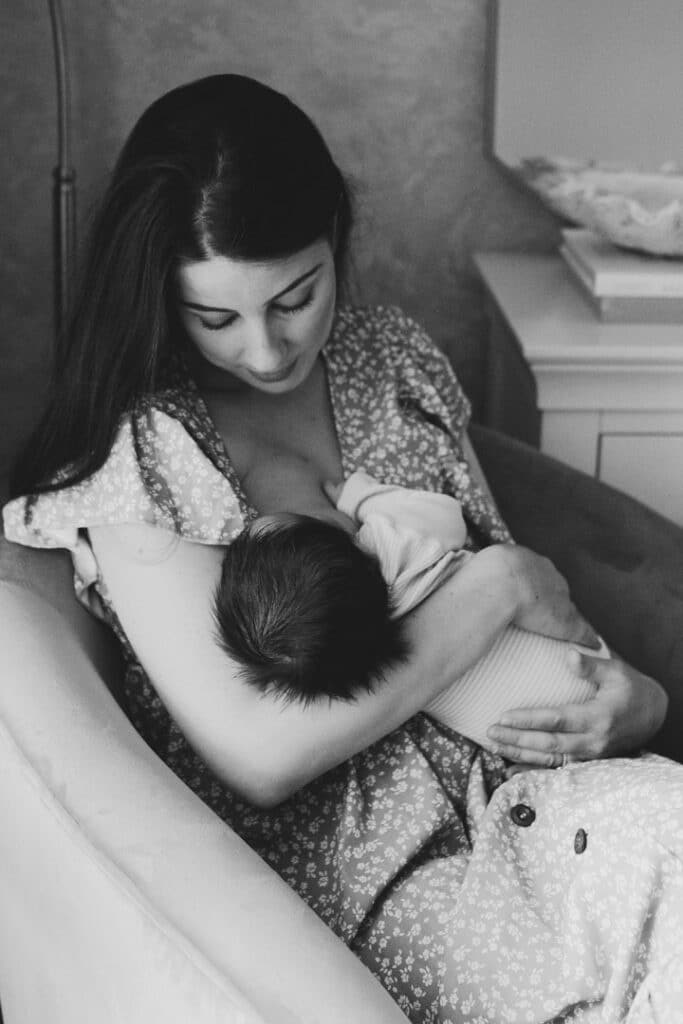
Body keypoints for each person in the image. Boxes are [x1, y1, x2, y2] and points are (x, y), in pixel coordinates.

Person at [3, 74, 681, 1021]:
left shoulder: (392, 360)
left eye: (296, 297)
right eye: (216, 318)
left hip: (544, 794)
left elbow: (538, 630)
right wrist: (496, 585)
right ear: (161, 296)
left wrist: (638, 701)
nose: (268, 349)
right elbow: (260, 753)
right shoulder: (151, 453)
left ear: (335, 239)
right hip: (395, 887)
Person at [214, 466, 604, 750]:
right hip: (570, 666)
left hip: (516, 731)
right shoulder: (385, 544)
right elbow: (449, 519)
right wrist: (362, 497)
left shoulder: (353, 654)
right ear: (344, 541)